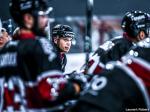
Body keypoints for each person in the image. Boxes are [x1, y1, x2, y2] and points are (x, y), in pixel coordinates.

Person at [0, 0, 81, 111]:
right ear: (28, 19)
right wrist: (77, 86)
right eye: (42, 16)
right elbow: (52, 91)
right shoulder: (40, 46)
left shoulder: (6, 49)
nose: (46, 21)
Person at [70, 37, 150, 112]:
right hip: (101, 95)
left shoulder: (118, 40)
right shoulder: (126, 45)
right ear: (141, 33)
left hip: (89, 87)